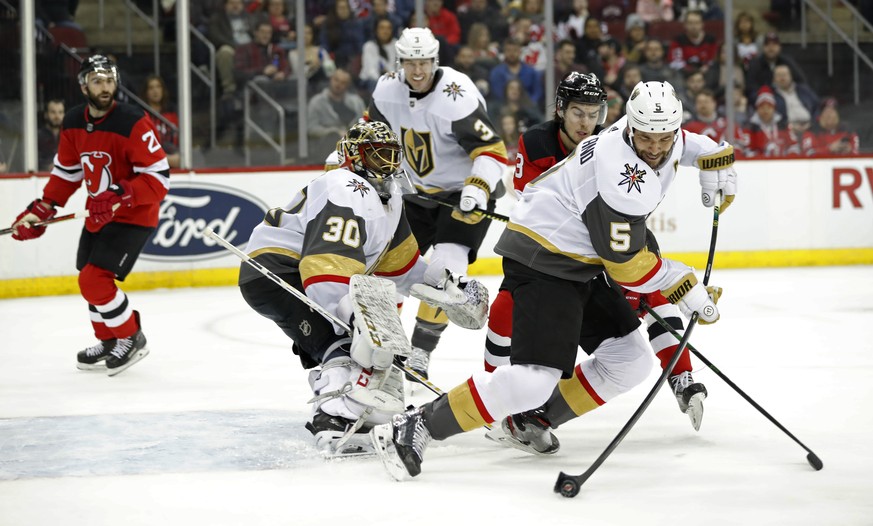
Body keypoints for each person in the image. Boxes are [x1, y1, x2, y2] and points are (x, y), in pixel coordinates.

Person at [371, 80, 736, 478]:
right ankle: (419, 423)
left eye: (663, 137)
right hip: (544, 257)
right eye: (646, 137)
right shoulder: (620, 173)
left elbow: (687, 142)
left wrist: (717, 160)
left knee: (629, 360)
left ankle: (533, 421)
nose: (655, 148)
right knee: (532, 381)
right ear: (631, 126)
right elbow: (626, 265)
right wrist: (682, 282)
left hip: (581, 260)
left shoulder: (659, 134)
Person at [237, 120, 486, 454]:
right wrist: (354, 319)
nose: (387, 164)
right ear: (354, 156)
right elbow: (324, 266)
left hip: (296, 272)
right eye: (377, 155)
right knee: (340, 343)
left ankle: (352, 412)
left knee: (338, 343)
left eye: (391, 154)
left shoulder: (389, 197)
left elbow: (401, 265)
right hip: (276, 272)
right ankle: (331, 418)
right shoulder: (347, 186)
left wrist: (443, 285)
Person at [487, 72, 713, 434]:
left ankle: (680, 375)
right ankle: (498, 401)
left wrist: (716, 156)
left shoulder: (621, 140)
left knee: (653, 291)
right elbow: (530, 200)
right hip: (561, 251)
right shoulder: (537, 142)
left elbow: (676, 144)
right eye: (578, 112)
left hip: (611, 240)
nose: (586, 122)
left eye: (594, 113)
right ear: (561, 109)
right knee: (504, 310)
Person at [8, 55, 170, 376]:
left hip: (133, 215)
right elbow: (67, 174)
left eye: (109, 80)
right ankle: (109, 340)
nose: (105, 87)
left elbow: (159, 177)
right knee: (88, 277)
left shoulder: (133, 121)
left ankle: (130, 336)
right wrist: (42, 210)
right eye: (97, 81)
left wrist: (120, 194)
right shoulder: (72, 122)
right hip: (99, 214)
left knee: (94, 279)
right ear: (84, 85)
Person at [366, 27, 509, 379]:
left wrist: (477, 188)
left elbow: (492, 151)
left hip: (463, 194)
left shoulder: (456, 96)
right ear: (400, 62)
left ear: (436, 61)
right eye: (411, 63)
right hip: (414, 192)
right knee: (387, 269)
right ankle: (385, 345)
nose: (418, 71)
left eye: (425, 62)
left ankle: (419, 353)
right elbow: (373, 137)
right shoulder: (386, 90)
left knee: (445, 271)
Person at [306, 68, 366, 158]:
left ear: (348, 85)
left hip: (352, 150)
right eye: (336, 80)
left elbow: (364, 125)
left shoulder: (357, 103)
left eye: (343, 82)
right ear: (331, 79)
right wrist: (334, 133)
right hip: (325, 149)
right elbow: (311, 128)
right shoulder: (317, 102)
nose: (338, 85)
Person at [141, 75, 181, 169]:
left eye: (158, 86)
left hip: (170, 153)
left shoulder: (172, 113)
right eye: (151, 88)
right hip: (149, 155)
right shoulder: (142, 115)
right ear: (146, 92)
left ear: (163, 90)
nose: (155, 91)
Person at [37, 98, 65, 172]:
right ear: (46, 114)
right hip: (42, 178)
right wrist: (47, 167)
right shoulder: (38, 136)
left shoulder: (68, 137)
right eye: (53, 112)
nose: (57, 116)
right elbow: (32, 161)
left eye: (60, 112)